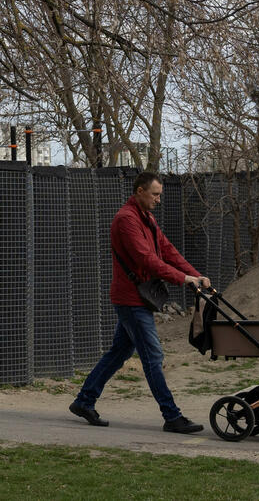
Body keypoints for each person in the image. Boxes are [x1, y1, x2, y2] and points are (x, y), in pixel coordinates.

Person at [70, 171, 211, 433]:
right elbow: (147, 260)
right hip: (131, 299)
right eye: (155, 194)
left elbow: (167, 250)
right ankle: (172, 416)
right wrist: (184, 279)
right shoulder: (126, 220)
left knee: (119, 352)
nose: (159, 199)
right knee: (153, 356)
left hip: (136, 298)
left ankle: (84, 401)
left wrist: (195, 275)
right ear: (139, 192)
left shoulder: (147, 218)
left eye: (160, 194)